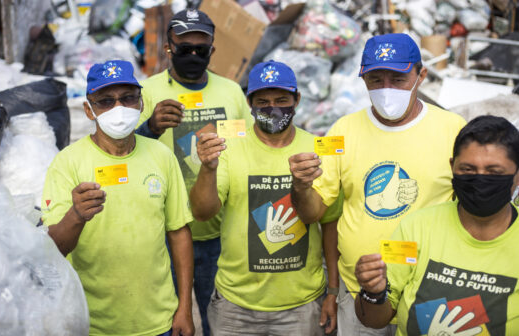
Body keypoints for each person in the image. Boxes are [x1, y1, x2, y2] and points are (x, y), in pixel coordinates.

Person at [289, 33, 466, 335]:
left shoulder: (453, 130)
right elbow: (312, 213)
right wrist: (301, 186)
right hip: (359, 290)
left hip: (427, 289)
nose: (386, 90)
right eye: (375, 80)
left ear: (420, 75)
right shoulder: (341, 132)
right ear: (363, 80)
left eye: (397, 80)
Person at [41, 60, 194, 336]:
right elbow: (54, 250)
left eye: (127, 98)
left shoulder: (162, 156)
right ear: (89, 110)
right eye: (105, 101)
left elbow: (179, 232)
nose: (119, 109)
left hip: (159, 322)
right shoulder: (67, 164)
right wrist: (76, 216)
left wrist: (184, 308)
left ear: (141, 103)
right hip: (94, 325)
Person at [189, 60, 341, 335]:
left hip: (302, 306)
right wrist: (208, 169)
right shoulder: (229, 149)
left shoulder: (316, 150)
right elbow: (202, 212)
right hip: (235, 307)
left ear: (297, 99)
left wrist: (333, 290)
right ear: (250, 104)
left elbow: (329, 223)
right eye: (263, 101)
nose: (273, 108)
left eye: (282, 99)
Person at [134, 10, 252, 335]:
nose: (193, 56)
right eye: (184, 48)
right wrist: (151, 127)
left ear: (213, 50)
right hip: (166, 236)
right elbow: (124, 156)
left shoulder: (231, 93)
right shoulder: (146, 93)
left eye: (201, 49)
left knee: (220, 324)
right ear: (168, 48)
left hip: (221, 236)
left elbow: (250, 150)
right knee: (172, 325)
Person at [354, 115, 519, 335]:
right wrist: (373, 292)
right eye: (468, 170)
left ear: (517, 175)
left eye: (494, 172)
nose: (480, 181)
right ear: (452, 167)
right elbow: (375, 319)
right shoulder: (414, 227)